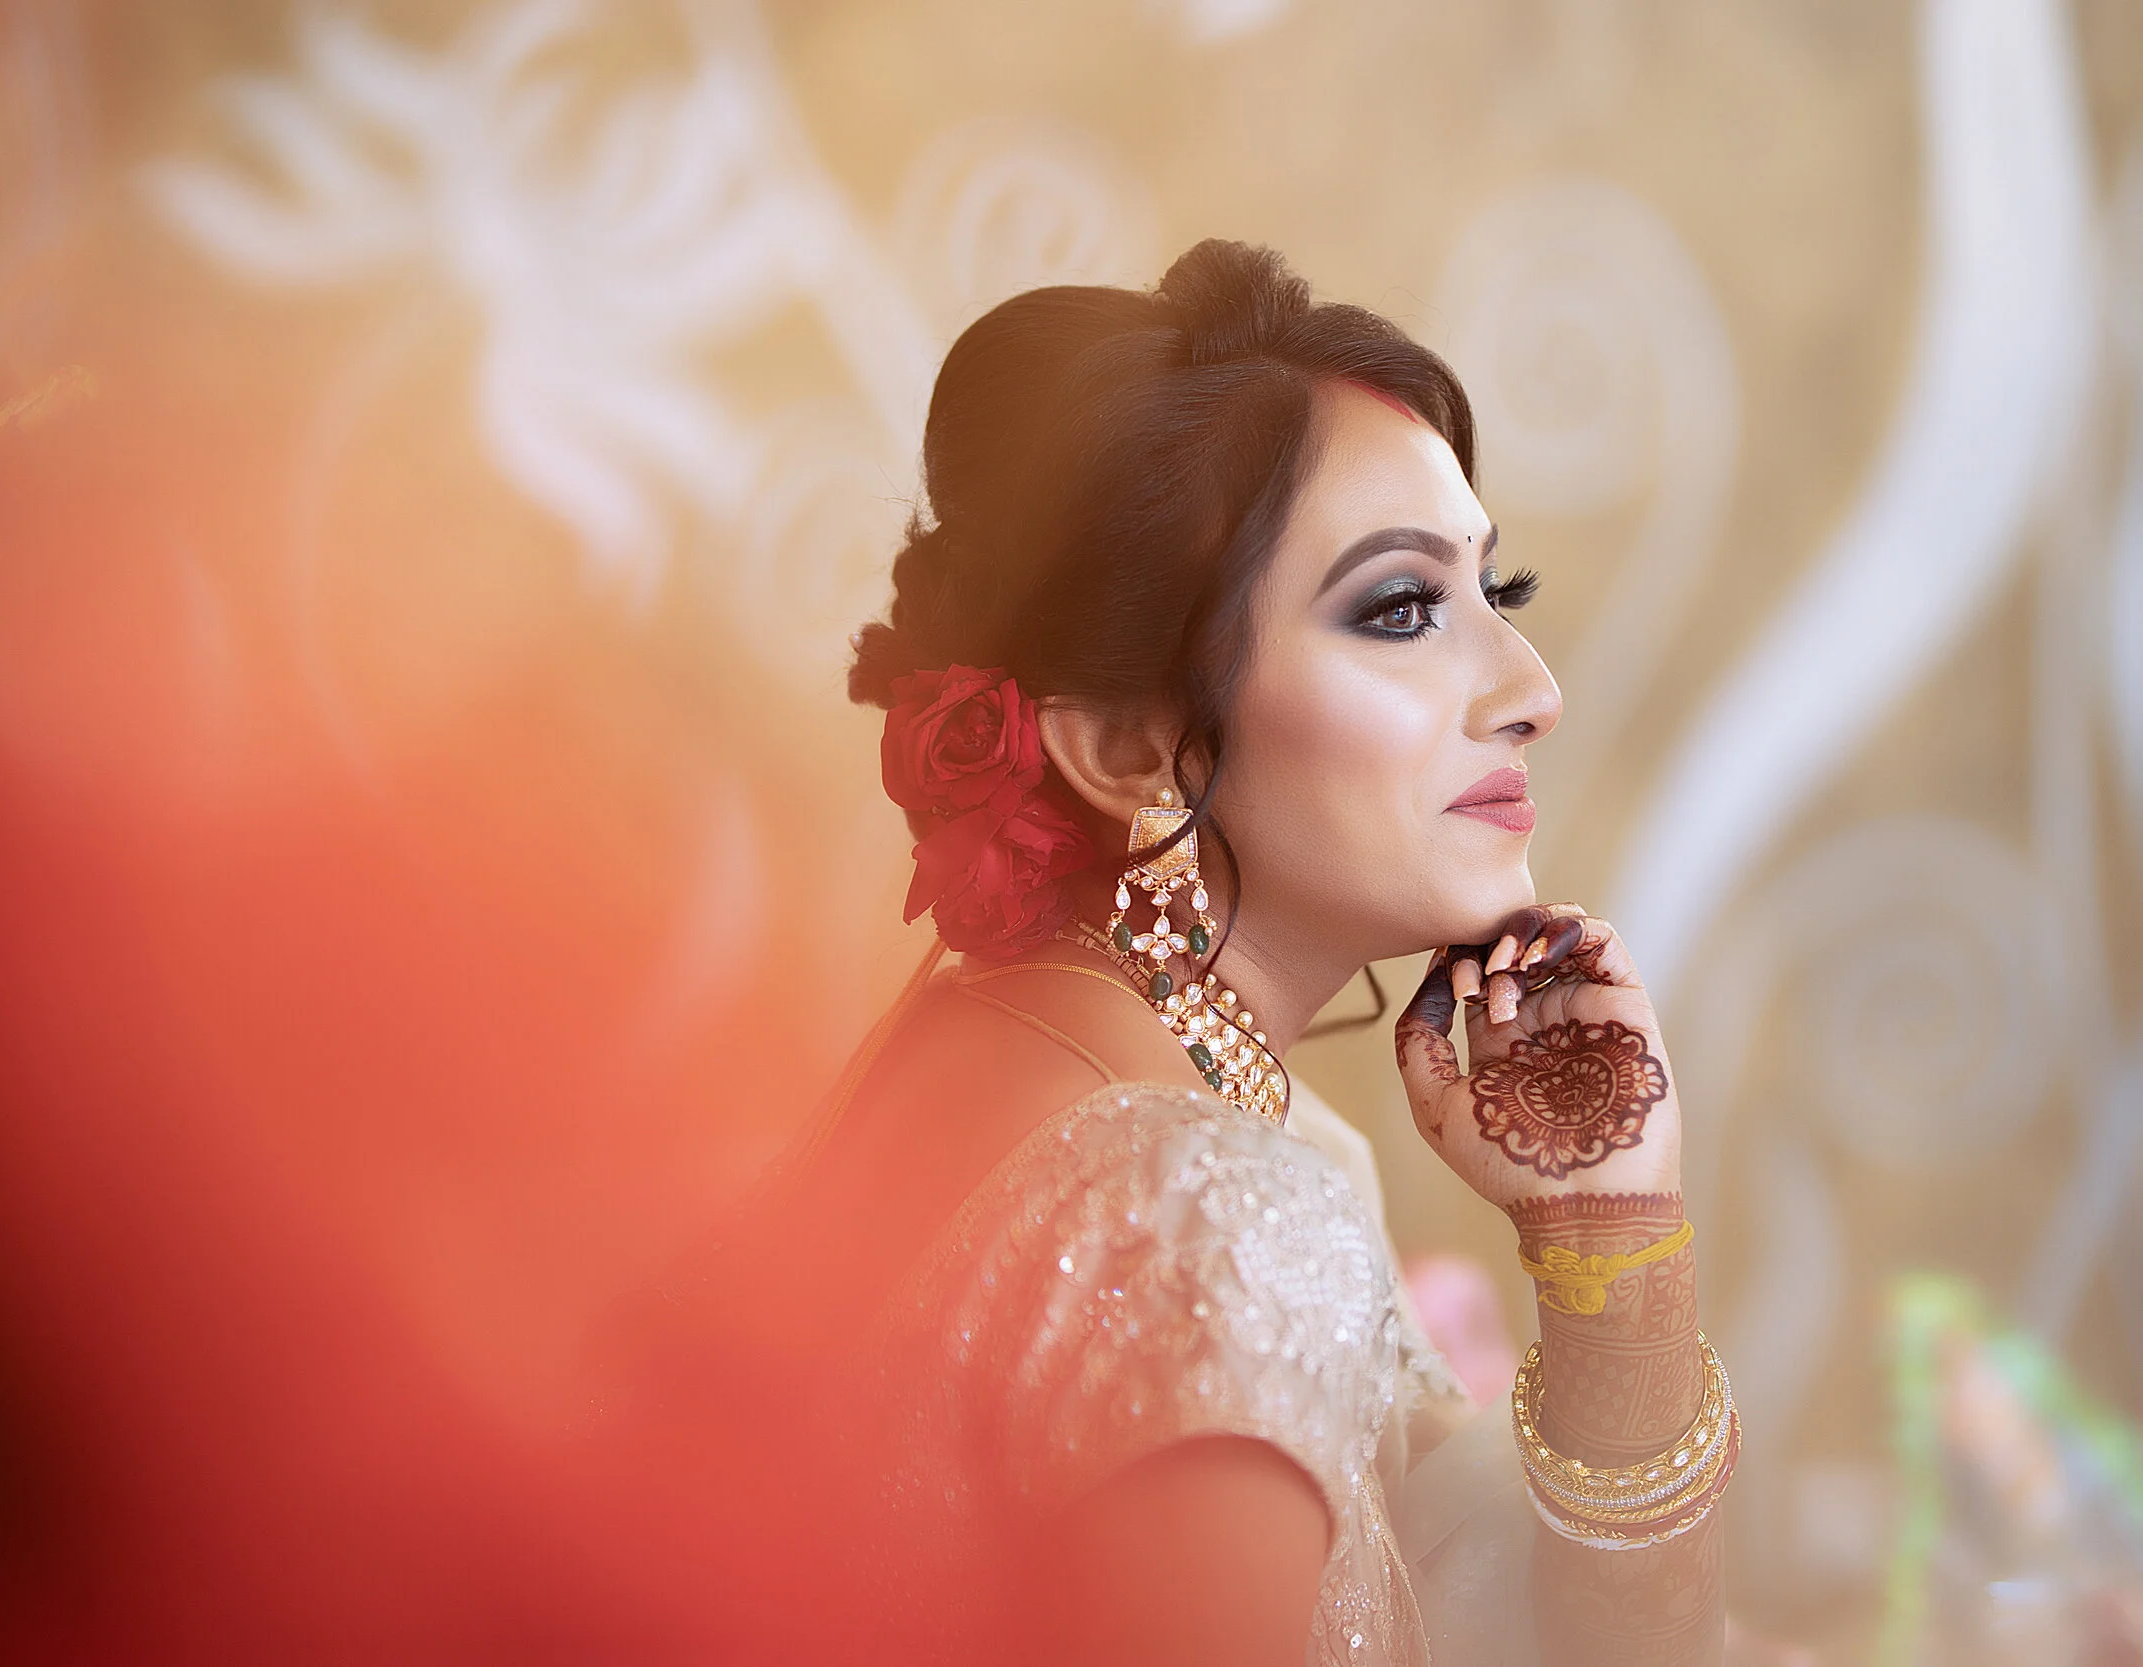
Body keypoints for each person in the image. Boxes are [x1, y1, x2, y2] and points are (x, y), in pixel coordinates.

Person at [728, 238, 1733, 1666]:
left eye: (1494, 595)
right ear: (1127, 740)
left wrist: (1603, 1231)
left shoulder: (1040, 1062)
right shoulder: (1195, 1207)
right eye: (1399, 608)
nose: (1533, 690)